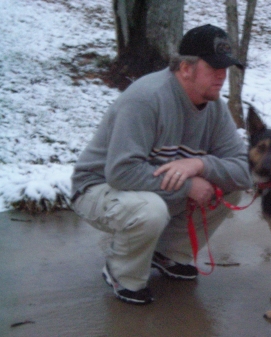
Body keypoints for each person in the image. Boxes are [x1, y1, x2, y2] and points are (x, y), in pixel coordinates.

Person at [70, 24, 252, 305]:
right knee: (149, 210)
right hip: (98, 188)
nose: (221, 75)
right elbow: (121, 172)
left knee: (226, 189)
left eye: (225, 67)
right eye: (213, 66)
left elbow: (242, 172)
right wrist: (189, 184)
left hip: (149, 188)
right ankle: (122, 273)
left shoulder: (214, 106)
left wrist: (200, 165)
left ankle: (167, 253)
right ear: (185, 68)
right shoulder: (146, 98)